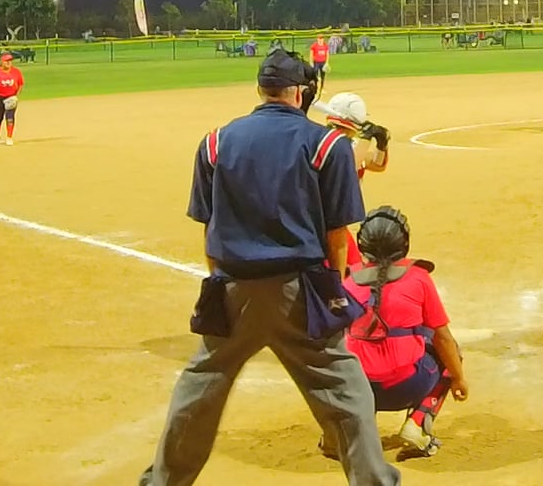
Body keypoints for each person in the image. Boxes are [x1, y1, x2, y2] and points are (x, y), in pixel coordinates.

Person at [138, 50, 397, 486]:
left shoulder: (215, 142)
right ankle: (373, 480)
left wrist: (221, 282)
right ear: (299, 93)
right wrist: (331, 291)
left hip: (233, 286)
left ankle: (163, 482)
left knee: (200, 386)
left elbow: (209, 227)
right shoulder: (327, 145)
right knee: (345, 389)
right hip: (299, 291)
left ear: (260, 90)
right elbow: (337, 235)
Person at [338, 208, 468, 459]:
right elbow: (443, 338)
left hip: (358, 392)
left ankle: (345, 429)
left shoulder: (348, 283)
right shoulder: (418, 278)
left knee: (350, 348)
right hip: (408, 387)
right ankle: (418, 424)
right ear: (404, 244)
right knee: (448, 350)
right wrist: (459, 379)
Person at [0, 51, 25, 145]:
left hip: (11, 97)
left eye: (10, 60)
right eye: (6, 61)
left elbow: (21, 84)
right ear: (1, 61)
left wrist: (16, 96)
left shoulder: (16, 72)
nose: (9, 62)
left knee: (10, 117)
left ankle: (9, 137)